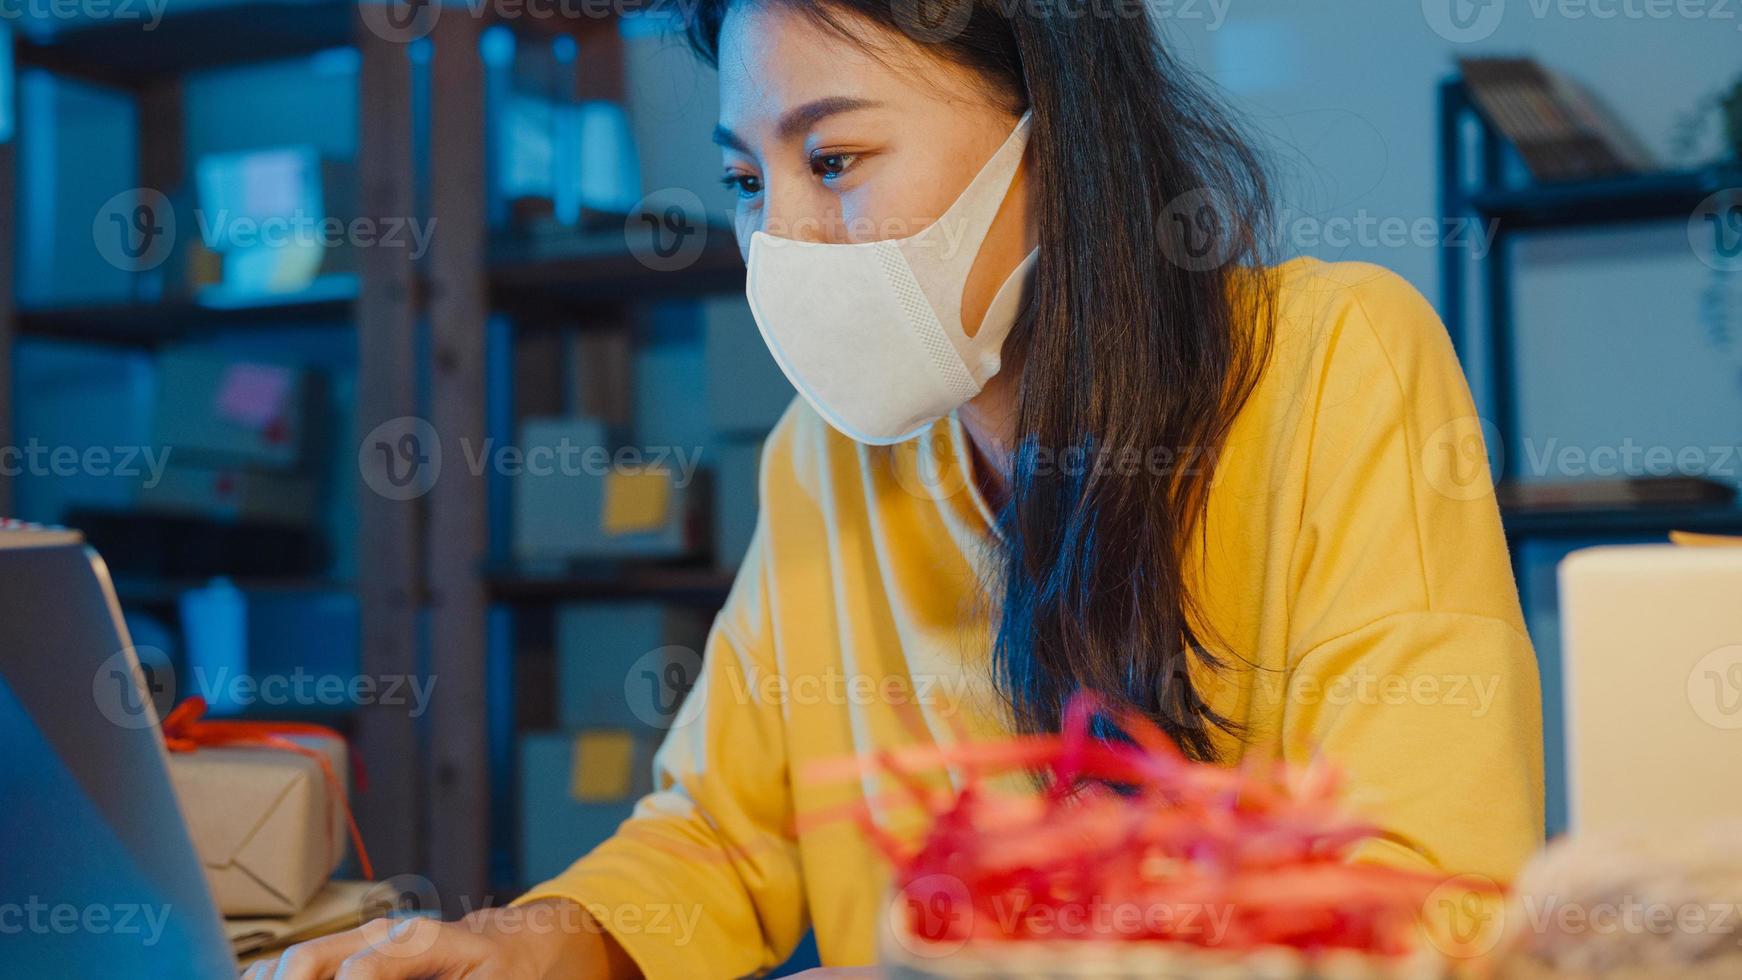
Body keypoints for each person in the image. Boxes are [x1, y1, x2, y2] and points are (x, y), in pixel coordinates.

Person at [249, 0, 1542, 975]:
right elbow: (718, 832)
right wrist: (546, 937)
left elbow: (1425, 898)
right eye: (747, 181)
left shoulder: (1329, 362)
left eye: (836, 162)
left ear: (1054, 143)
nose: (783, 244)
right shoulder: (824, 457)